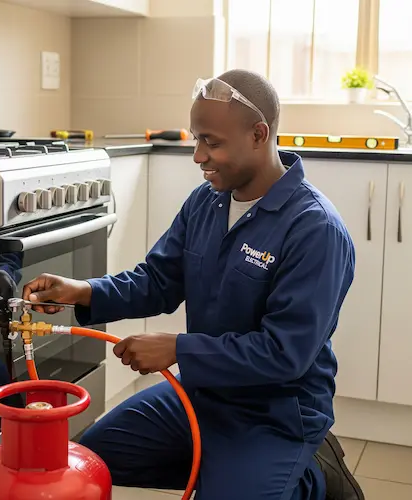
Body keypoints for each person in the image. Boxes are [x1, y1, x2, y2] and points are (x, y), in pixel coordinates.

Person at [22, 69, 365, 500]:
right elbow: (159, 280)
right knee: (92, 459)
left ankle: (309, 476)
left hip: (273, 412)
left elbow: (285, 354)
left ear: (259, 135)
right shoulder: (207, 200)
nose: (198, 156)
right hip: (201, 395)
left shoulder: (315, 229)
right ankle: (226, 472)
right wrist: (83, 291)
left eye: (211, 142)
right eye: (196, 138)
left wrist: (178, 348)